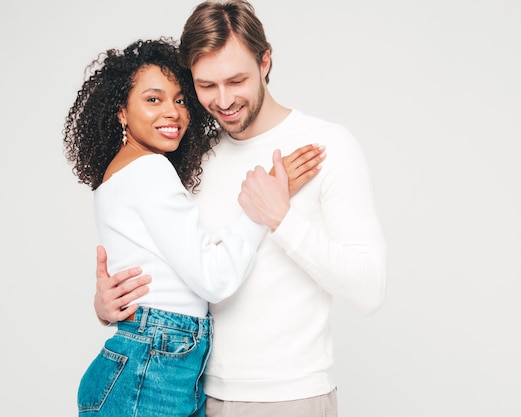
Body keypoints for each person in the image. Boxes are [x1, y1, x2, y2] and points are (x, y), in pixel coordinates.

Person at [94, 1, 387, 416]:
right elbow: (179, 263)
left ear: (265, 61)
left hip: (291, 398)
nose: (224, 100)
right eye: (206, 85)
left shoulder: (327, 145)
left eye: (236, 80)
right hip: (196, 394)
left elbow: (370, 289)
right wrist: (113, 305)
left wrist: (280, 220)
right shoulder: (192, 154)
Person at [63, 37, 321, 416]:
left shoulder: (118, 174)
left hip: (152, 360)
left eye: (181, 100)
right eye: (153, 99)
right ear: (121, 110)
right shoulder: (149, 170)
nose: (173, 112)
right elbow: (214, 280)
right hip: (153, 367)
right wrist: (263, 203)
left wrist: (104, 307)